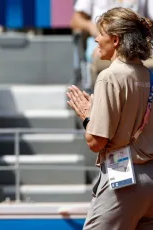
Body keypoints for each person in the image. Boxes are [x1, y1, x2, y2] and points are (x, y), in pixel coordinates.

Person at [67, 7, 153, 230]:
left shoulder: (109, 76)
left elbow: (96, 142)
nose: (96, 38)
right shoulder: (148, 75)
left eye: (101, 33)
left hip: (124, 179)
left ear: (115, 40)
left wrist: (87, 117)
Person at [70, 0, 153, 89]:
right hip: (100, 37)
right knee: (99, 54)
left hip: (135, 40)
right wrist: (94, 28)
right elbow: (75, 20)